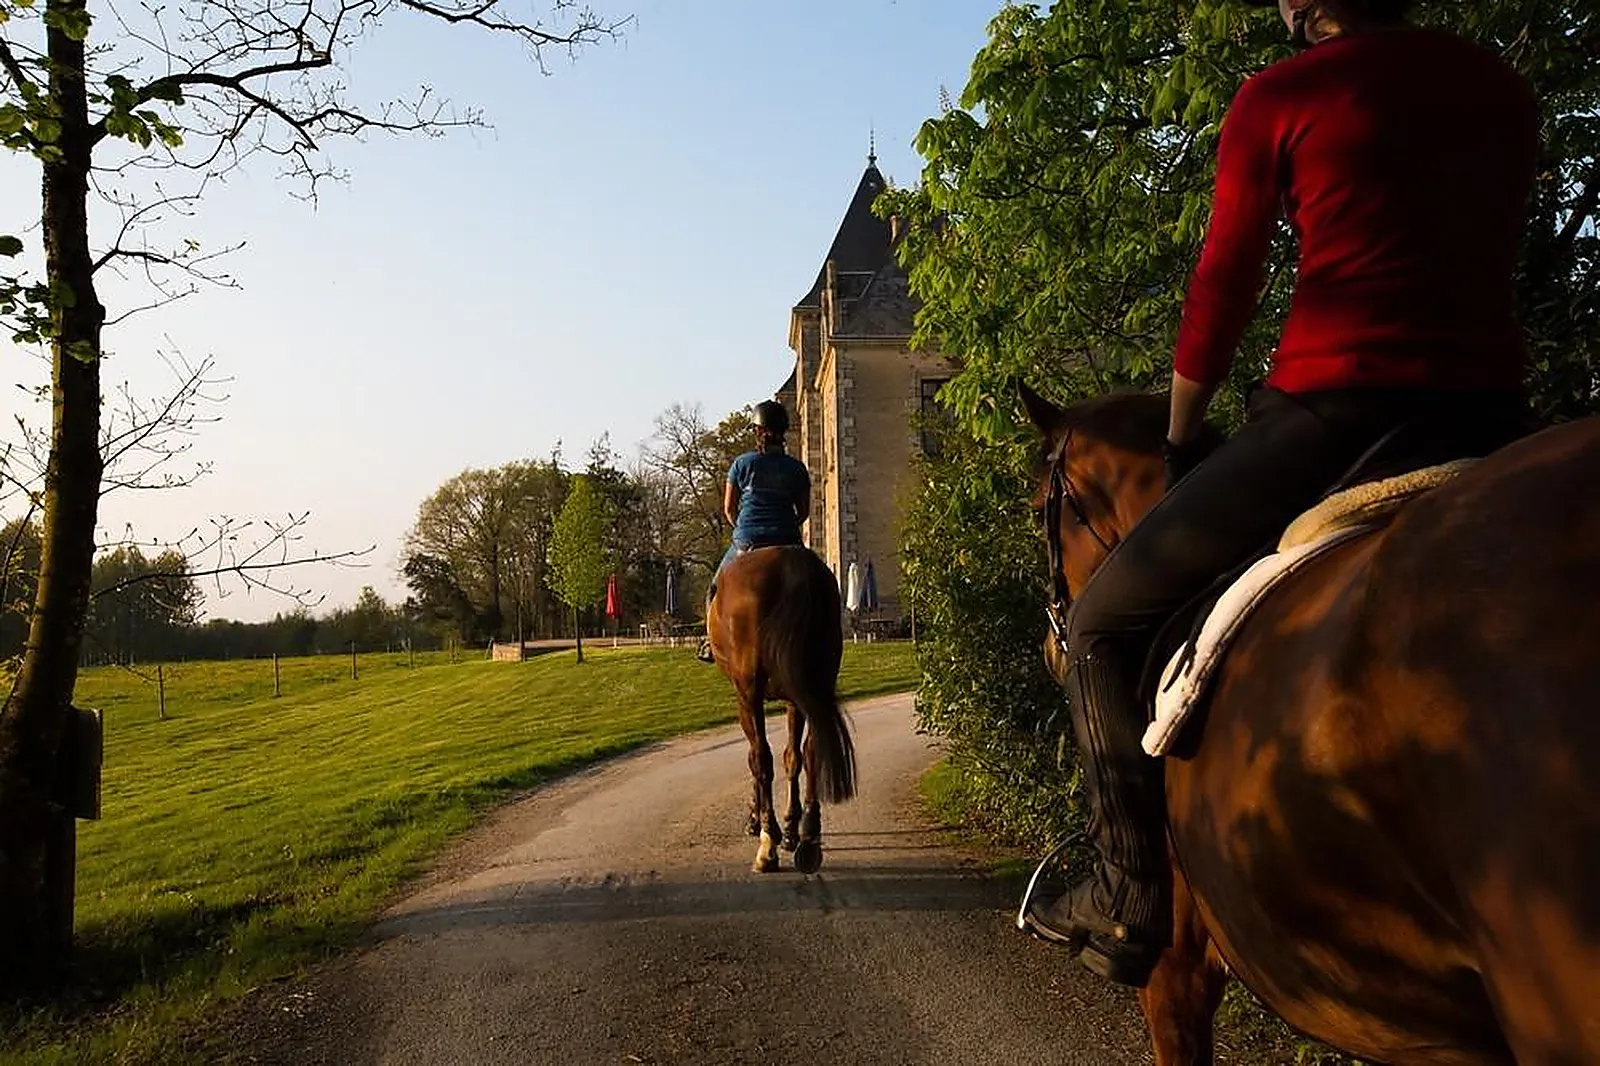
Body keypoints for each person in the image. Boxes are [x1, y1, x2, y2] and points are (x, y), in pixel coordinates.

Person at [1020, 0, 1538, 987]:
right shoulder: (1496, 87)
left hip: (1334, 414)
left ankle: (1126, 893)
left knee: (1096, 622)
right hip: (1492, 417)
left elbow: (1224, 282)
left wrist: (1178, 436)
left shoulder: (1279, 96)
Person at [697, 400, 812, 663]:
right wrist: (786, 527)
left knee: (714, 588)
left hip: (748, 541)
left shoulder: (741, 464)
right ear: (783, 431)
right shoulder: (797, 468)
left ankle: (709, 643)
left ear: (758, 431)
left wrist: (743, 529)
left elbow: (728, 509)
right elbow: (803, 512)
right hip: (787, 541)